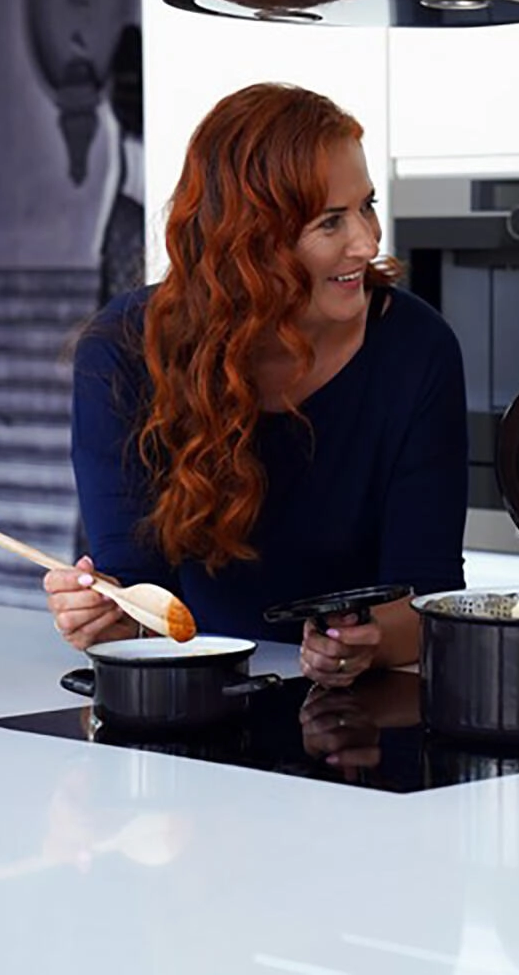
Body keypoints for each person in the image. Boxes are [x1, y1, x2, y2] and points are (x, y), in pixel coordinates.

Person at [45, 82, 469, 687]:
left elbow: (430, 599)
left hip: (352, 708)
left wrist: (365, 642)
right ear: (249, 242)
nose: (368, 241)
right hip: (195, 695)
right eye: (331, 221)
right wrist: (101, 614)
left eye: (366, 205)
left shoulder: (417, 349)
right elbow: (140, 598)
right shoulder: (122, 352)